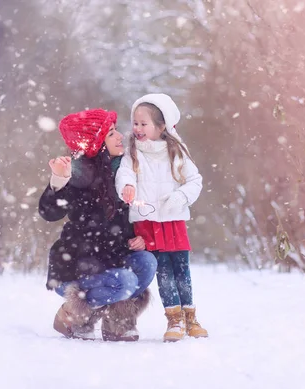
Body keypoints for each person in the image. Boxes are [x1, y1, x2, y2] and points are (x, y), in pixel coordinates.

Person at [38, 108, 157, 341]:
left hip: (113, 260)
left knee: (146, 262)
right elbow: (49, 212)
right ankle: (74, 316)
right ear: (96, 142)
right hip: (77, 269)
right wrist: (59, 180)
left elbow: (132, 216)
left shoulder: (123, 171)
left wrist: (139, 238)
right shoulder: (77, 173)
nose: (120, 136)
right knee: (125, 281)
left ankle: (117, 323)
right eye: (111, 133)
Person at [116, 93, 208, 342]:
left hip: (173, 220)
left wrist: (180, 197)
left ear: (161, 126)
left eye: (143, 124)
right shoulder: (133, 152)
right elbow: (125, 173)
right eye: (135, 123)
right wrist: (127, 186)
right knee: (163, 271)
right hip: (147, 222)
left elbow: (195, 181)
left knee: (182, 269)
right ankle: (174, 319)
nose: (137, 128)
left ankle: (191, 316)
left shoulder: (177, 152)